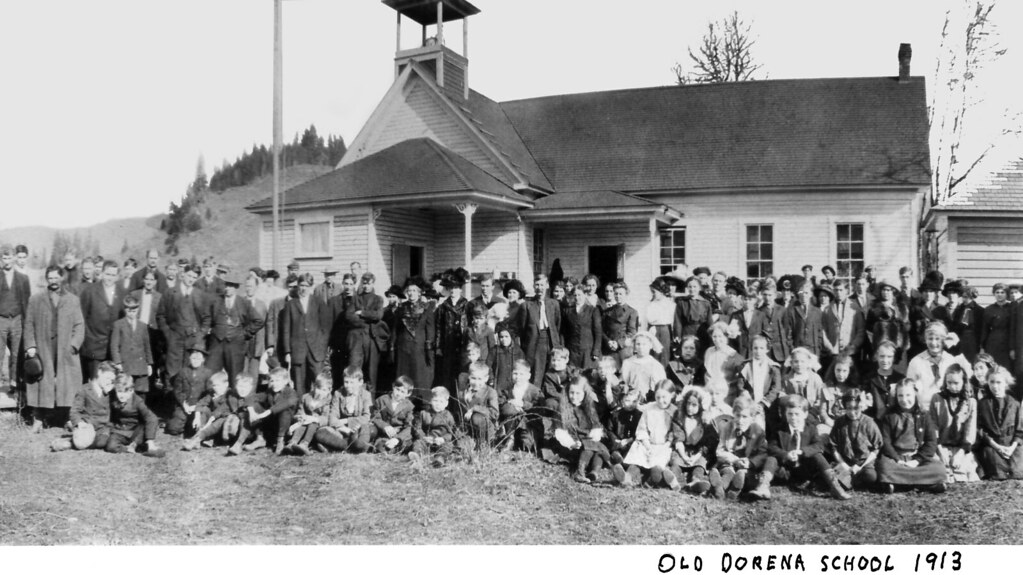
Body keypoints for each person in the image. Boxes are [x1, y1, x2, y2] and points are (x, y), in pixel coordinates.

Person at [750, 394, 849, 501]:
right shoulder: (779, 430)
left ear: (805, 414)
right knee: (772, 458)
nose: (793, 418)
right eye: (790, 414)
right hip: (785, 471)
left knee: (817, 455)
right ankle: (763, 485)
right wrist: (786, 454)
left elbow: (818, 445)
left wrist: (802, 452)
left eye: (797, 414)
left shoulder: (811, 429)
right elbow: (771, 447)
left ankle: (834, 485)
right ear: (785, 414)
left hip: (805, 469)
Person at [24, 265, 84, 432]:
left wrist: (74, 344)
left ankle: (67, 418)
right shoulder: (35, 300)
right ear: (46, 279)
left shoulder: (72, 300)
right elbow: (28, 324)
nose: (53, 281)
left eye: (56, 278)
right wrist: (30, 345)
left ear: (62, 278)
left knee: (67, 384)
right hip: (44, 348)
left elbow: (79, 325)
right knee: (41, 382)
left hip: (65, 348)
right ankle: (38, 418)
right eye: (50, 278)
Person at [877, 379, 947, 494]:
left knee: (939, 469)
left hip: (916, 457)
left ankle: (899, 484)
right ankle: (926, 484)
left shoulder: (924, 414)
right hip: (896, 458)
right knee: (884, 468)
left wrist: (917, 460)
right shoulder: (889, 415)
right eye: (900, 396)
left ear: (915, 393)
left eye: (908, 395)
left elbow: (931, 441)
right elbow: (885, 441)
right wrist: (897, 459)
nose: (904, 400)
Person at [614, 381, 679, 489]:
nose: (661, 401)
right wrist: (647, 445)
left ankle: (651, 481)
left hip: (664, 445)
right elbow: (642, 429)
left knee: (658, 462)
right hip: (647, 443)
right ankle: (627, 477)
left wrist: (666, 444)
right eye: (658, 397)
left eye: (664, 397)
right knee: (638, 456)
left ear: (672, 395)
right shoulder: (650, 409)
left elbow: (674, 433)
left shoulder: (674, 412)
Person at [157, 264, 211, 381]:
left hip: (192, 339)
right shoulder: (170, 293)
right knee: (172, 371)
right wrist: (168, 334)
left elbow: (207, 318)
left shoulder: (200, 295)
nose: (191, 279)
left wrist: (200, 336)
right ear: (183, 275)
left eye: (194, 277)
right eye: (189, 276)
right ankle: (171, 397)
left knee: (189, 371)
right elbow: (161, 316)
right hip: (174, 338)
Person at [281, 273, 331, 398]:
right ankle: (300, 412)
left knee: (319, 382)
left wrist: (322, 345)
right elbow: (286, 329)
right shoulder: (291, 305)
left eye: (306, 286)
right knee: (299, 385)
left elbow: (326, 326)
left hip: (316, 351)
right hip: (298, 351)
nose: (303, 288)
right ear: (297, 286)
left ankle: (320, 411)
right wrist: (287, 352)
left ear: (311, 286)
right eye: (301, 285)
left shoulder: (318, 302)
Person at [905, 321, 972, 411]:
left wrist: (958, 351)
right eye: (930, 338)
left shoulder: (950, 359)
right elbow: (909, 388)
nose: (933, 342)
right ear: (925, 339)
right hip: (925, 410)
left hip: (947, 409)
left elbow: (968, 374)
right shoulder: (916, 362)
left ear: (944, 340)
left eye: (937, 339)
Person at [50, 361, 117, 452]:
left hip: (103, 428)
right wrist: (80, 423)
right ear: (99, 372)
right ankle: (73, 441)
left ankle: (71, 442)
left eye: (112, 380)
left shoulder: (110, 392)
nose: (109, 382)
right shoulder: (84, 389)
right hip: (88, 426)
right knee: (101, 442)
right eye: (107, 378)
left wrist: (112, 392)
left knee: (106, 440)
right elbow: (74, 411)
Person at [710, 396, 767, 499]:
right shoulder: (727, 427)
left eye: (745, 417)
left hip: (746, 467)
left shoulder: (758, 431)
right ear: (733, 414)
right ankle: (720, 488)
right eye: (737, 415)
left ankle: (734, 490)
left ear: (752, 418)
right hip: (730, 463)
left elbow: (762, 453)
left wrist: (750, 463)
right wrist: (734, 460)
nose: (740, 420)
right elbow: (720, 451)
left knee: (744, 475)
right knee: (727, 472)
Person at [229, 370, 298, 455]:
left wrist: (268, 412)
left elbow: (288, 403)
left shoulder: (291, 392)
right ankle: (243, 442)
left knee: (284, 411)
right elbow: (252, 397)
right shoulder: (270, 392)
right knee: (255, 406)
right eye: (272, 380)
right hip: (270, 427)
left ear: (285, 381)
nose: (274, 383)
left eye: (278, 380)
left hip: (285, 428)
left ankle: (280, 441)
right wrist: (251, 411)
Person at [930, 364, 979, 483]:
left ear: (964, 382)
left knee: (963, 471)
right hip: (941, 446)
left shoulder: (971, 402)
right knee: (939, 469)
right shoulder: (937, 399)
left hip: (961, 448)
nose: (952, 386)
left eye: (956, 383)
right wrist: (939, 449)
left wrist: (961, 453)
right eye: (949, 382)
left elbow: (970, 431)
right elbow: (933, 426)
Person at [391, 276, 436, 405]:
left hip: (419, 349)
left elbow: (430, 329)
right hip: (403, 348)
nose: (411, 293)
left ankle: (420, 406)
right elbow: (395, 329)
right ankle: (402, 404)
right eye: (409, 291)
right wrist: (392, 347)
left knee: (419, 377)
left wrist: (428, 348)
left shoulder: (426, 308)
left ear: (420, 293)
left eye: (414, 291)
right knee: (403, 376)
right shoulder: (401, 308)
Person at [78, 260, 126, 380]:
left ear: (117, 276)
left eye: (113, 275)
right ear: (102, 273)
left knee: (111, 382)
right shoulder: (90, 291)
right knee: (95, 382)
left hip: (113, 348)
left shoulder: (122, 293)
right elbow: (81, 318)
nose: (110, 277)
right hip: (94, 347)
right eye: (108, 274)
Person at [826, 388, 882, 491]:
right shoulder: (839, 423)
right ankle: (850, 482)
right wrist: (844, 465)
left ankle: (850, 482)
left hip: (864, 464)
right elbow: (833, 447)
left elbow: (876, 448)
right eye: (849, 408)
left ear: (861, 406)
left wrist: (861, 466)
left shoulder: (869, 423)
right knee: (831, 475)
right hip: (845, 462)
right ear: (844, 407)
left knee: (871, 476)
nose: (852, 412)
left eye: (856, 408)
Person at [556, 376, 609, 484]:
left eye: (578, 393)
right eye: (571, 393)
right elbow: (560, 432)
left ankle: (594, 472)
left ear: (585, 393)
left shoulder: (589, 407)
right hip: (572, 445)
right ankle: (579, 472)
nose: (574, 396)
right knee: (593, 447)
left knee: (595, 446)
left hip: (587, 441)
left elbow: (596, 426)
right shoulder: (563, 408)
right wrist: (571, 444)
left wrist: (594, 435)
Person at [344, 272, 387, 397]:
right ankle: (352, 400)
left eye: (369, 283)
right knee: (354, 369)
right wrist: (367, 320)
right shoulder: (355, 298)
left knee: (371, 372)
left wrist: (361, 312)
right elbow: (349, 316)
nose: (366, 286)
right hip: (356, 339)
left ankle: (370, 404)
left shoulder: (378, 299)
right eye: (364, 283)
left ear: (373, 283)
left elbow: (378, 316)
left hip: (371, 339)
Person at [975, 366, 1023, 480]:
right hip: (993, 445)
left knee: (1017, 472)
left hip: (1011, 445)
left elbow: (1019, 430)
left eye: (999, 382)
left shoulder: (1014, 403)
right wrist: (997, 447)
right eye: (992, 382)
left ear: (1006, 383)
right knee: (997, 473)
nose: (995, 386)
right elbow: (980, 430)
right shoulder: (982, 404)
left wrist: (1012, 447)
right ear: (987, 382)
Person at [669, 385, 718, 494]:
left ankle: (696, 481)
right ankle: (678, 483)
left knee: (700, 466)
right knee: (675, 463)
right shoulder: (679, 417)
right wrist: (684, 456)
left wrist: (696, 456)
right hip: (683, 450)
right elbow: (678, 438)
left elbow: (707, 442)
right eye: (688, 403)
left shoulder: (704, 421)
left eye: (694, 405)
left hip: (698, 451)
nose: (689, 408)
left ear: (700, 406)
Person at [314, 366, 374, 453]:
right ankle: (347, 447)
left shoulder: (366, 395)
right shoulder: (338, 394)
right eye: (346, 382)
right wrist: (342, 427)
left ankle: (338, 446)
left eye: (352, 382)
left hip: (359, 429)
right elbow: (333, 417)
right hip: (342, 430)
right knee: (320, 433)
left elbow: (366, 417)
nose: (348, 386)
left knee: (368, 431)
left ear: (360, 382)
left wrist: (346, 421)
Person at [106, 373, 165, 457]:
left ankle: (141, 445)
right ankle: (128, 449)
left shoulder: (138, 401)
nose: (122, 395)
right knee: (111, 447)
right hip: (120, 430)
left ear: (131, 390)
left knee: (142, 439)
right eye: (119, 391)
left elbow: (151, 418)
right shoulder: (113, 398)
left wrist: (150, 441)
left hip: (135, 431)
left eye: (125, 391)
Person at [433, 268, 469, 394]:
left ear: (460, 289)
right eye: (451, 288)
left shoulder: (466, 305)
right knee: (447, 374)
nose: (453, 290)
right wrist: (438, 346)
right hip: (447, 345)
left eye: (456, 287)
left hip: (461, 344)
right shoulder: (443, 307)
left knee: (461, 374)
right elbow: (438, 327)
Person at [109, 295, 153, 397]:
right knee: (125, 390)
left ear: (138, 310)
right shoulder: (118, 324)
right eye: (129, 311)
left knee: (140, 394)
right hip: (125, 365)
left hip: (141, 366)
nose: (132, 314)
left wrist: (149, 363)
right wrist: (117, 362)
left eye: (134, 311)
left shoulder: (142, 326)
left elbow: (147, 346)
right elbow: (114, 345)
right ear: (125, 310)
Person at [165, 345, 214, 437]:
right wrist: (183, 404)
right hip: (185, 405)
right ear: (189, 358)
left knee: (195, 431)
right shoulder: (183, 371)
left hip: (200, 407)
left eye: (198, 358)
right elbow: (177, 390)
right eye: (193, 358)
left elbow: (209, 393)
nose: (195, 360)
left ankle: (191, 425)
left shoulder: (207, 373)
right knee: (173, 428)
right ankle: (183, 423)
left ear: (203, 359)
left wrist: (198, 407)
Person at [0, 245, 30, 388]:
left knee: (17, 354)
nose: (7, 261)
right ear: (1, 259)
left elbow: (26, 303)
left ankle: (14, 383)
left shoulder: (23, 279)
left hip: (17, 319)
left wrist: (26, 323)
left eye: (9, 257)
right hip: (1, 319)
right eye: (4, 258)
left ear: (14, 258)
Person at [497, 359, 542, 452]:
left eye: (522, 374)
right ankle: (510, 437)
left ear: (528, 376)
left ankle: (520, 438)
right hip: (512, 421)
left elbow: (540, 408)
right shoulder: (508, 389)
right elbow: (501, 402)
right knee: (508, 409)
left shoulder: (535, 391)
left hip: (528, 423)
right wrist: (511, 402)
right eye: (515, 373)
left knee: (526, 446)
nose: (518, 377)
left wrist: (523, 404)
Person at [180, 371, 232, 450]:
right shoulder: (213, 393)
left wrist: (208, 423)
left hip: (221, 421)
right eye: (213, 385)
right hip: (212, 418)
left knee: (221, 420)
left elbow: (220, 411)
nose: (215, 388)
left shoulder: (229, 394)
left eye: (218, 385)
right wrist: (196, 417)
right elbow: (201, 403)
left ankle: (197, 439)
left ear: (226, 384)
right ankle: (199, 437)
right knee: (204, 409)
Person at [933, 280, 982, 364]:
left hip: (963, 348)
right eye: (949, 293)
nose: (951, 296)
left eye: (954, 293)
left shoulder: (966, 310)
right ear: (946, 295)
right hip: (944, 348)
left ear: (959, 295)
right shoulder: (939, 311)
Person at [736, 335, 783, 422]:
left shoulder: (773, 367)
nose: (758, 351)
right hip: (749, 404)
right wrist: (749, 400)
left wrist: (762, 404)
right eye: (755, 348)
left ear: (767, 349)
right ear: (751, 349)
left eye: (761, 348)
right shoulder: (745, 366)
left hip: (768, 406)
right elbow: (740, 386)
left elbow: (776, 388)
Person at [409, 387, 459, 466]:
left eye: (441, 402)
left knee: (447, 446)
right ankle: (417, 457)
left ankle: (440, 459)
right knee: (418, 443)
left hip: (440, 441)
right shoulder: (423, 413)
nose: (438, 404)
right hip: (427, 440)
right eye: (435, 401)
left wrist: (443, 439)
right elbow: (417, 428)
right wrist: (424, 437)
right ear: (430, 401)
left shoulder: (448, 415)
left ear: (446, 403)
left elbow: (452, 432)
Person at [286, 371, 333, 455]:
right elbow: (300, 411)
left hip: (318, 425)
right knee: (303, 424)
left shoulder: (327, 401)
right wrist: (300, 417)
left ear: (329, 390)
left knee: (312, 424)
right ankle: (292, 443)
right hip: (305, 422)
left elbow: (326, 417)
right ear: (314, 387)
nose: (320, 392)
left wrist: (314, 419)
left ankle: (304, 444)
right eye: (318, 388)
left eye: (324, 390)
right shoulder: (306, 397)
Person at [821, 281, 865, 369]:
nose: (838, 293)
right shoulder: (827, 309)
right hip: (833, 351)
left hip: (850, 351)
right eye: (836, 290)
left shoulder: (855, 308)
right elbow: (823, 330)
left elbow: (861, 330)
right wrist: (829, 346)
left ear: (847, 291)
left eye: (841, 290)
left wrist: (853, 346)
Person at [866, 278, 911, 363]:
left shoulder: (902, 308)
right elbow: (868, 329)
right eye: (883, 290)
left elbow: (907, 326)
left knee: (898, 373)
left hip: (899, 347)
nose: (885, 292)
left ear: (893, 291)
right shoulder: (874, 308)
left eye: (888, 290)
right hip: (881, 347)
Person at [370, 375, 416, 454]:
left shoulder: (409, 406)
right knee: (381, 447)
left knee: (407, 445)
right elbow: (375, 417)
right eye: (397, 389)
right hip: (384, 434)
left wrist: (397, 439)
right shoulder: (382, 400)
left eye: (402, 392)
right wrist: (385, 426)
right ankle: (384, 449)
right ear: (393, 387)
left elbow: (408, 427)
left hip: (399, 435)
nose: (399, 394)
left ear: (408, 394)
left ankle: (398, 449)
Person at [458, 361, 499, 449]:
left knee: (477, 418)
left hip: (486, 428)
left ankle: (483, 443)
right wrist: (464, 399)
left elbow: (494, 413)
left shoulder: (491, 392)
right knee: (460, 446)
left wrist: (474, 408)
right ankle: (471, 441)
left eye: (480, 379)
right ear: (469, 376)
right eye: (473, 378)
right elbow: (459, 411)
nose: (476, 382)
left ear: (486, 378)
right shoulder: (464, 392)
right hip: (468, 428)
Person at [862, 341, 903, 421]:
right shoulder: (868, 379)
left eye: (889, 357)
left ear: (894, 358)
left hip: (895, 421)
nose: (885, 360)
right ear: (877, 356)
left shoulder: (900, 379)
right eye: (882, 356)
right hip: (874, 422)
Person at [703, 321, 742, 402]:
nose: (717, 339)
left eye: (720, 336)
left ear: (726, 337)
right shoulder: (709, 351)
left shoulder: (732, 354)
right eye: (714, 336)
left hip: (728, 394)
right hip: (710, 392)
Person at [673, 276, 712, 353]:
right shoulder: (682, 302)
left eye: (695, 286)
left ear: (700, 288)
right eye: (690, 287)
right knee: (688, 351)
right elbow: (678, 321)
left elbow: (710, 321)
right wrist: (678, 335)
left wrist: (712, 335)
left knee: (701, 352)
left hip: (702, 332)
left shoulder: (706, 303)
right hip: (687, 331)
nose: (692, 289)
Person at [605, 388, 642, 465]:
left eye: (634, 401)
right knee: (615, 449)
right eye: (628, 401)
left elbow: (641, 431)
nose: (631, 404)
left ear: (638, 402)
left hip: (631, 441)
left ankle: (625, 463)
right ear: (622, 402)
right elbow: (609, 429)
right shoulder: (616, 415)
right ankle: (617, 457)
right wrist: (615, 439)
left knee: (632, 450)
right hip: (618, 441)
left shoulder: (639, 415)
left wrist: (630, 440)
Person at [982, 283, 1013, 371]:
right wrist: (982, 346)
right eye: (997, 292)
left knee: (1007, 367)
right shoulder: (989, 309)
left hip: (1008, 341)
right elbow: (985, 329)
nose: (999, 294)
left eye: (1002, 292)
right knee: (993, 366)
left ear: (1006, 294)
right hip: (993, 341)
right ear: (994, 294)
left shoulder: (1012, 308)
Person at [488, 327, 525, 396]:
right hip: (499, 383)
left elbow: (522, 367)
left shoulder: (518, 351)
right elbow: (488, 366)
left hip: (513, 383)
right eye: (501, 337)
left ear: (511, 337)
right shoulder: (494, 351)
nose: (504, 339)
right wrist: (491, 379)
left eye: (506, 336)